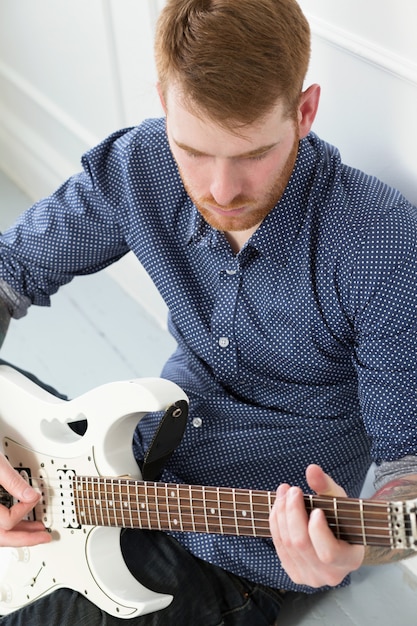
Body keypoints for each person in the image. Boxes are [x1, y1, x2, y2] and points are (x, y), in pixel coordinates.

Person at [1, 0, 417, 623]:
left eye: (252, 154)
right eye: (193, 150)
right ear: (164, 104)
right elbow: (10, 270)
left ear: (304, 112)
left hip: (240, 552)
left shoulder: (377, 244)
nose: (221, 191)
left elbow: (407, 473)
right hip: (128, 454)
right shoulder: (141, 166)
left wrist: (361, 547)